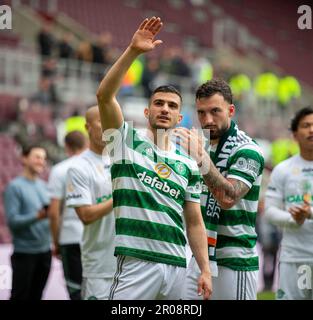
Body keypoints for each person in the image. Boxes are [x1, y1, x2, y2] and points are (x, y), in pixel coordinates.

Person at [96, 16, 212, 300]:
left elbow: (195, 222)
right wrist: (133, 52)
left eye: (172, 106)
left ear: (179, 117)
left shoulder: (187, 164)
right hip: (136, 263)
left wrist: (205, 269)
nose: (164, 109)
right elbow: (104, 97)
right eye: (158, 103)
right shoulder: (124, 141)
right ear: (147, 112)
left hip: (177, 266)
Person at [174, 78, 264, 300]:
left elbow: (227, 197)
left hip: (234, 260)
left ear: (231, 110)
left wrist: (201, 159)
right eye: (201, 113)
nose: (208, 120)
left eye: (215, 111)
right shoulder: (198, 147)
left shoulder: (248, 150)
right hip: (199, 258)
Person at [65, 106, 115, 300]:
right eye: (101, 121)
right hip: (99, 267)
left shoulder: (126, 161)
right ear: (87, 127)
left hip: (130, 265)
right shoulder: (78, 167)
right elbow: (85, 215)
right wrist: (119, 196)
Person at [265, 106, 313, 300]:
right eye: (306, 125)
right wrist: (294, 219)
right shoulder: (283, 170)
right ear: (295, 134)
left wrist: (309, 213)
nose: (311, 130)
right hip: (295, 258)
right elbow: (269, 211)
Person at [3, 144, 51, 300]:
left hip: (45, 253)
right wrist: (37, 216)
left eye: (43, 158)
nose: (41, 162)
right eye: (37, 157)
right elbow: (13, 222)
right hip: (24, 254)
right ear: (24, 158)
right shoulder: (14, 187)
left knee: (37, 296)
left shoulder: (45, 186)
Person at [48, 131, 87, 300]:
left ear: (66, 146)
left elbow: (54, 212)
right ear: (85, 144)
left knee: (75, 290)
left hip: (70, 237)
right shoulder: (97, 167)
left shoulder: (59, 170)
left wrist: (56, 241)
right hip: (95, 237)